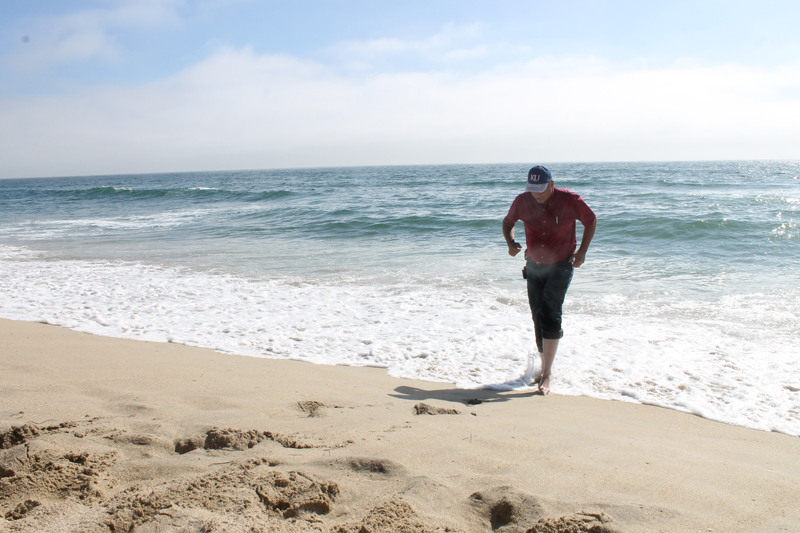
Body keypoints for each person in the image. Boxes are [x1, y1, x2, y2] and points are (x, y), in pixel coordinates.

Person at [502, 165, 597, 395]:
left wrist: (582, 251)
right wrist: (510, 242)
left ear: (551, 185)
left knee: (551, 312)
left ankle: (547, 374)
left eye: (541, 189)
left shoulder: (570, 200)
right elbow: (508, 223)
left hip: (562, 265)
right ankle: (545, 365)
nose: (537, 193)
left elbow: (591, 220)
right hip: (534, 265)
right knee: (537, 315)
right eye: (533, 189)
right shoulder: (522, 201)